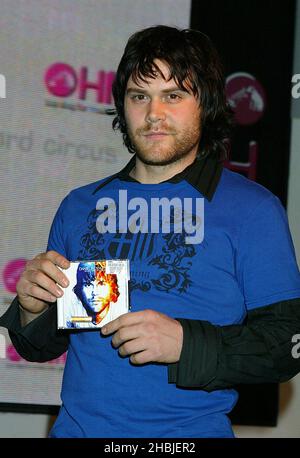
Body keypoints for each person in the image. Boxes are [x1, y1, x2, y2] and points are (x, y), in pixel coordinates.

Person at [1, 25, 300, 438]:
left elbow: (287, 345)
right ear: (123, 107)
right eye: (139, 96)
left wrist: (185, 343)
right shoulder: (80, 206)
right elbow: (42, 345)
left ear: (205, 104)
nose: (154, 113)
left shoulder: (252, 210)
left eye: (173, 96)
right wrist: (33, 309)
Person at [71, 261, 119, 327]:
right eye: (88, 285)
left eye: (101, 284)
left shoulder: (120, 315)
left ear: (113, 287)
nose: (95, 293)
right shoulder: (71, 318)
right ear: (79, 289)